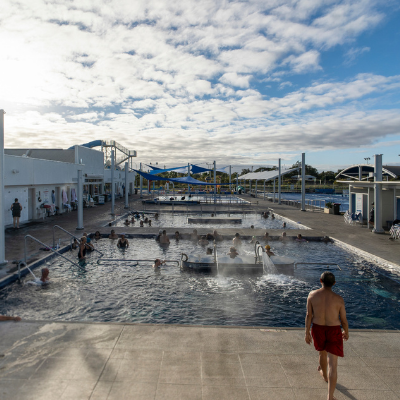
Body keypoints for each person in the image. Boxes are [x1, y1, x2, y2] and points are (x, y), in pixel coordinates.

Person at [305, 271, 349, 400]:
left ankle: (324, 375)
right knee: (333, 364)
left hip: (318, 328)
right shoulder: (339, 299)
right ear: (334, 283)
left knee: (322, 353)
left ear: (320, 281)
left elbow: (309, 315)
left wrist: (307, 332)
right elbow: (344, 320)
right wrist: (346, 331)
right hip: (334, 330)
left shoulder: (312, 295)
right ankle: (330, 396)